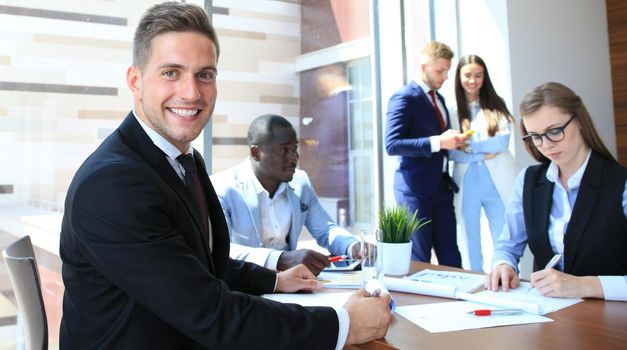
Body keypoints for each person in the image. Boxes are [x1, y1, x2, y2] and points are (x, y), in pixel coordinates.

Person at [59, 3, 391, 349]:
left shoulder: (183, 160)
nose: (191, 92)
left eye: (205, 74)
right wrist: (345, 325)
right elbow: (210, 312)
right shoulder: (114, 183)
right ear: (135, 81)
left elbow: (194, 267)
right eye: (171, 72)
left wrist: (274, 280)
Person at [486, 82, 627, 301]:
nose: (546, 144)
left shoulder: (621, 183)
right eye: (535, 136)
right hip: (549, 316)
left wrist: (584, 286)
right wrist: (503, 265)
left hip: (609, 321)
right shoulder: (528, 180)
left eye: (554, 131)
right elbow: (507, 246)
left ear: (579, 121)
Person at [211, 114, 360, 276]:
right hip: (244, 287)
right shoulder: (222, 188)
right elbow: (219, 251)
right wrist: (280, 259)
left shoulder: (300, 182)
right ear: (256, 153)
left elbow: (326, 230)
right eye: (284, 150)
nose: (294, 157)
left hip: (293, 285)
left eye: (295, 148)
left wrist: (352, 246)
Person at [385, 41, 469, 267]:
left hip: (441, 188)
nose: (445, 76)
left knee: (451, 255)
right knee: (419, 259)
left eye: (447, 71)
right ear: (423, 67)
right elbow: (392, 144)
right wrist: (438, 142)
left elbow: (438, 143)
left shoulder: (439, 99)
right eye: (440, 70)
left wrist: (454, 142)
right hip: (414, 190)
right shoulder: (404, 97)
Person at [448, 55, 517, 272]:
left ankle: (507, 279)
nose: (473, 80)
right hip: (467, 183)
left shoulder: (497, 106)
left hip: (496, 182)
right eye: (467, 75)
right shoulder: (451, 111)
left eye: (478, 75)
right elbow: (451, 153)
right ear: (459, 77)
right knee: (470, 241)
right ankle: (475, 282)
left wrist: (467, 147)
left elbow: (502, 142)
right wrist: (480, 153)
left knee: (503, 236)